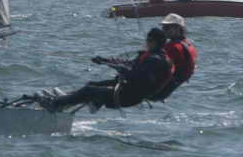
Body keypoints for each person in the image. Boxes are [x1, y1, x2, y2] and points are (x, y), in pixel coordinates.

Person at [38, 28, 173, 113]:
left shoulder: (155, 61)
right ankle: (67, 101)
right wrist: (104, 60)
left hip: (128, 96)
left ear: (156, 42)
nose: (147, 43)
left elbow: (139, 78)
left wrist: (122, 70)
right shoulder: (151, 56)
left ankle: (54, 104)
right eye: (147, 40)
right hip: (127, 90)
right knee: (91, 85)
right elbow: (129, 64)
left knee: (89, 90)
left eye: (149, 40)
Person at [150, 13, 197, 101]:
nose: (163, 30)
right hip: (170, 86)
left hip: (158, 91)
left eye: (167, 28)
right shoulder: (188, 44)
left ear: (178, 29)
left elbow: (155, 65)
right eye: (163, 27)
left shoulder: (173, 47)